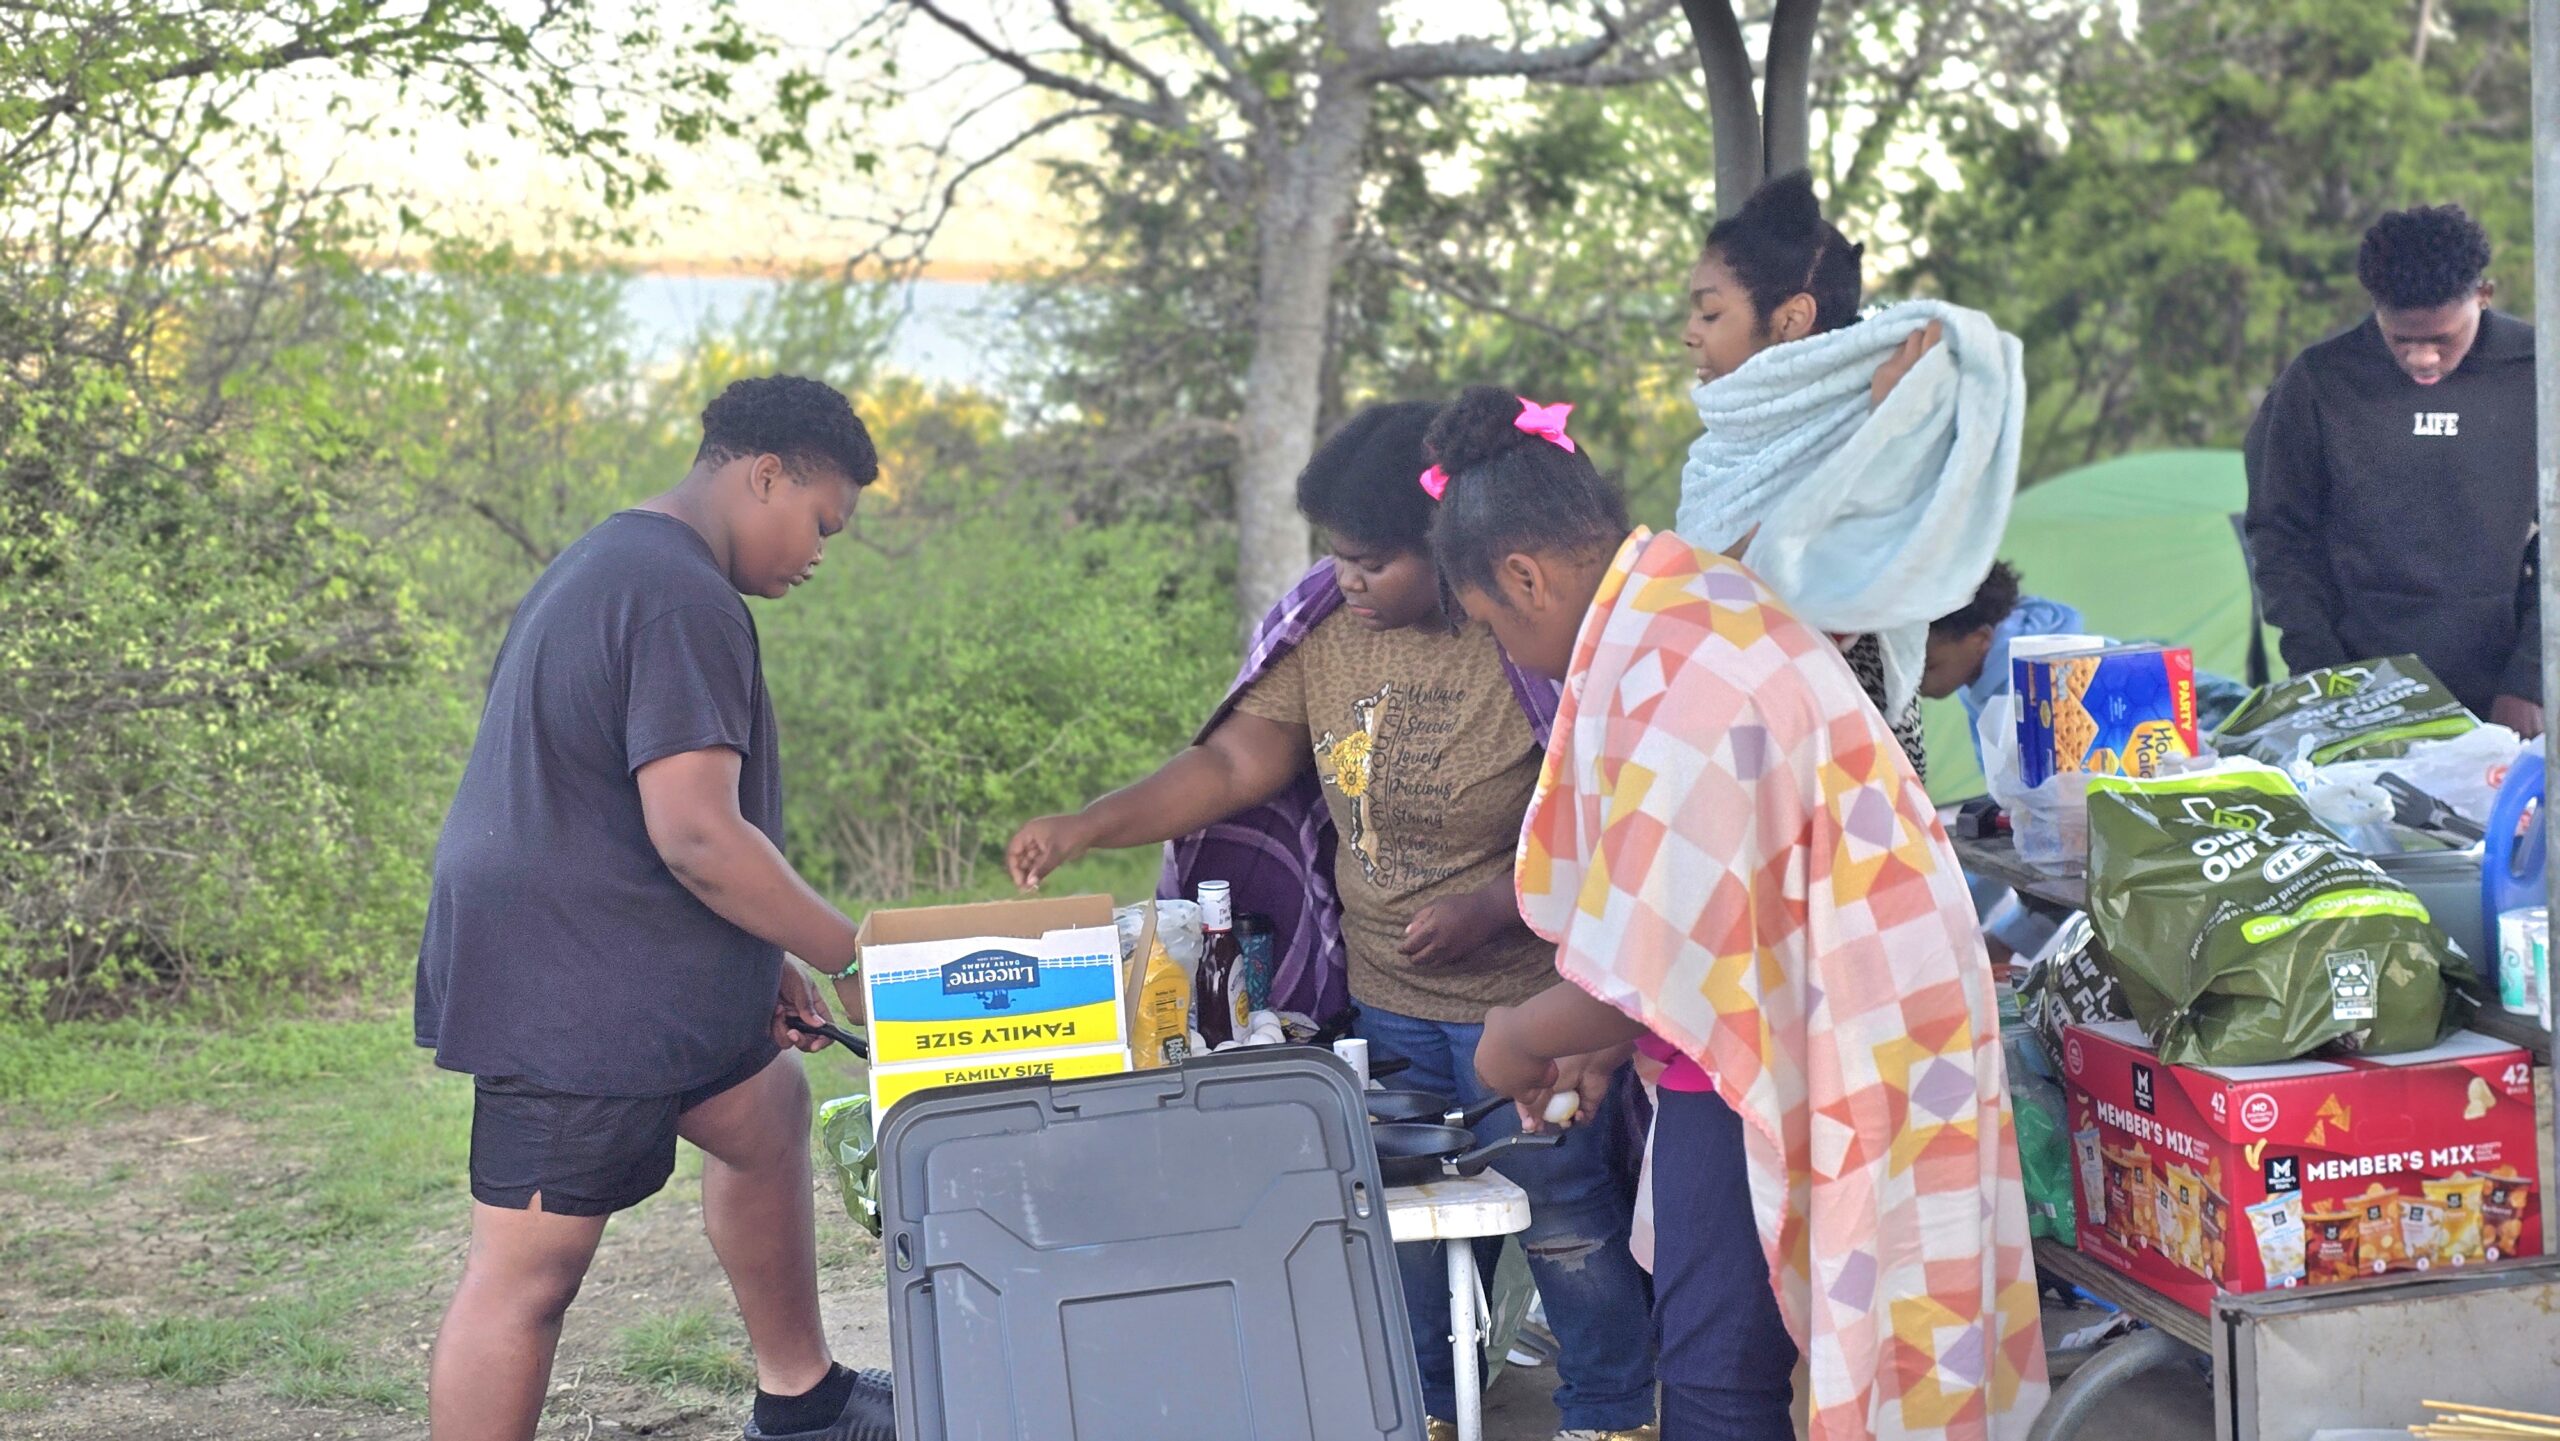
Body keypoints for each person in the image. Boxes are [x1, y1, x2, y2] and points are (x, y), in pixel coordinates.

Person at [1005, 402, 1658, 1441]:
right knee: (1394, 1235)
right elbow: (1231, 764)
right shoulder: (1324, 629)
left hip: (1536, 1009)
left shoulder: (1528, 638)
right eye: (1334, 557)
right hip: (1387, 1006)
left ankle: (1613, 1415)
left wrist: (1493, 905)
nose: (1343, 579)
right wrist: (1090, 824)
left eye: (1370, 560)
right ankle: (1424, 1409)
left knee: (1567, 1227)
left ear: (1450, 554)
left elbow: (1603, 817)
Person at [1425, 385, 2047, 1441]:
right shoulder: (1682, 608)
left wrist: (1523, 1036)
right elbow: (1695, 931)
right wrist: (1610, 1035)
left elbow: (1674, 941)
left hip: (1843, 1026)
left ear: (1524, 576)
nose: (1504, 652)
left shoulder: (1680, 661)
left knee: (1718, 1366)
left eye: (1488, 623)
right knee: (1729, 1347)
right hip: (1808, 1017)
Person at [413, 376, 893, 1441]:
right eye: (821, 522)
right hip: (570, 979)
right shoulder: (682, 597)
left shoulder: (620, 556)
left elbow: (618, 805)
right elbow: (697, 834)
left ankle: (801, 1397)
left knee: (764, 1109)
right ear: (765, 475)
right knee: (526, 1277)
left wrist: (755, 952)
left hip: (621, 950)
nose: (819, 552)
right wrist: (850, 954)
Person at [1677, 171, 2009, 783]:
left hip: (1845, 767)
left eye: (1710, 311)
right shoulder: (1716, 456)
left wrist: (1886, 433)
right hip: (1740, 763)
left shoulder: (1875, 427)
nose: (1690, 332)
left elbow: (1805, 585)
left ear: (1792, 317)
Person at [2246, 201, 2543, 737]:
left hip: (2511, 685)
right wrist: (2321, 673)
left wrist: (2532, 679)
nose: (2422, 359)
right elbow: (2281, 536)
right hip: (2360, 685)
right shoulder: (2319, 382)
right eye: (2402, 339)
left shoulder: (2539, 374)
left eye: (2441, 339)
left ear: (2484, 295)